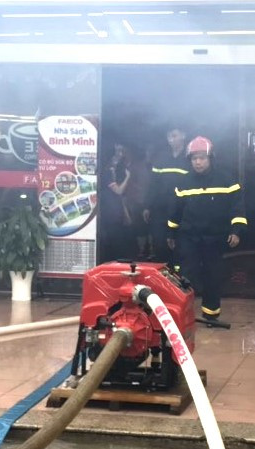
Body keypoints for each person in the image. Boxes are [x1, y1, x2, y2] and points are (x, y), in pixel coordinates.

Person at [166, 136, 246, 326]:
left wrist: (236, 231)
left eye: (202, 158)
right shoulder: (183, 182)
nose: (198, 162)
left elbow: (237, 208)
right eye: (194, 158)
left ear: (211, 158)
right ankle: (183, 313)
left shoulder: (227, 180)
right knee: (186, 275)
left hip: (215, 237)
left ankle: (211, 314)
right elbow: (176, 210)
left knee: (213, 274)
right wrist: (170, 233)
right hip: (189, 237)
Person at [144, 125, 189, 264]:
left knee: (180, 247)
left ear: (183, 135)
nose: (171, 140)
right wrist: (147, 206)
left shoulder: (190, 158)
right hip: (160, 210)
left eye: (174, 136)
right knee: (160, 245)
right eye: (169, 136)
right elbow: (153, 184)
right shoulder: (161, 158)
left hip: (182, 210)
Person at [99, 144, 134, 260]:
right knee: (114, 243)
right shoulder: (107, 171)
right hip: (110, 213)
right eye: (118, 151)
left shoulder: (115, 170)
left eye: (122, 151)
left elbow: (120, 197)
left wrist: (125, 214)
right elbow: (119, 191)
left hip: (115, 212)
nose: (120, 155)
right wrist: (128, 177)